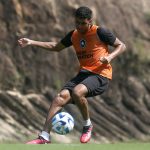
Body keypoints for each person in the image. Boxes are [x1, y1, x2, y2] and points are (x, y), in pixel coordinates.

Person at [18, 6, 126, 144]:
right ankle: (44, 136)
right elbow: (56, 47)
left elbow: (121, 45)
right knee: (59, 98)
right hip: (83, 75)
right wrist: (32, 42)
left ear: (90, 21)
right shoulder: (73, 35)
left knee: (77, 92)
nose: (80, 26)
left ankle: (87, 125)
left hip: (100, 75)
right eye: (77, 23)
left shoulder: (100, 32)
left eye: (83, 23)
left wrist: (109, 57)